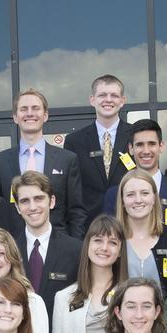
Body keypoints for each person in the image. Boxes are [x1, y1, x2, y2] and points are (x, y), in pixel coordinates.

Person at [0, 88, 86, 237]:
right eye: (23, 109)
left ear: (45, 115)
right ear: (15, 117)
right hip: (13, 248)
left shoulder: (67, 159)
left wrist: (76, 249)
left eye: (35, 108)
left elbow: (76, 211)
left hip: (58, 247)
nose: (30, 113)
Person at [11, 171, 82, 329]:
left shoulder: (76, 250)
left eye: (39, 198)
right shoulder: (8, 252)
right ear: (17, 207)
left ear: (52, 201)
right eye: (25, 201)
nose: (32, 207)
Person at [101, 119, 167, 232]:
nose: (146, 151)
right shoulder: (114, 195)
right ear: (131, 149)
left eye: (151, 144)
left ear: (161, 146)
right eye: (140, 145)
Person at [65, 74, 134, 225]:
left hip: (129, 223)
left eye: (114, 95)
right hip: (89, 226)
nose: (108, 100)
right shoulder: (74, 141)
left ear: (122, 101)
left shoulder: (135, 136)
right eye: (102, 95)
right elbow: (72, 190)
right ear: (92, 100)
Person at [115, 170, 167, 296]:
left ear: (154, 198)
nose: (138, 200)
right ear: (122, 201)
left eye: (144, 193)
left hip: (165, 314)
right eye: (130, 195)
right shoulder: (113, 239)